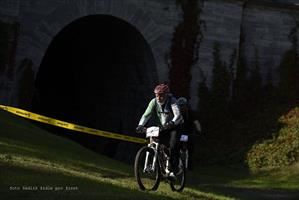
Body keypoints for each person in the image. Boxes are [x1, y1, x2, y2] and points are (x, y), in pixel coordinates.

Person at [136, 83, 183, 177]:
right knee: (159, 144)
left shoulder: (172, 101)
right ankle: (160, 164)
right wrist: (140, 125)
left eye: (161, 95)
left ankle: (175, 167)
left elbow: (177, 115)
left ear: (166, 95)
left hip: (175, 126)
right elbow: (146, 115)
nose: (158, 97)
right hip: (162, 127)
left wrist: (171, 123)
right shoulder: (153, 102)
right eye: (156, 95)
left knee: (173, 146)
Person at [177, 97, 201, 170]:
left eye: (183, 105)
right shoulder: (176, 113)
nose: (181, 107)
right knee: (178, 149)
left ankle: (189, 166)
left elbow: (196, 122)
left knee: (190, 151)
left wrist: (199, 131)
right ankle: (179, 164)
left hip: (189, 134)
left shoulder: (190, 113)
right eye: (180, 106)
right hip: (180, 134)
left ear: (186, 105)